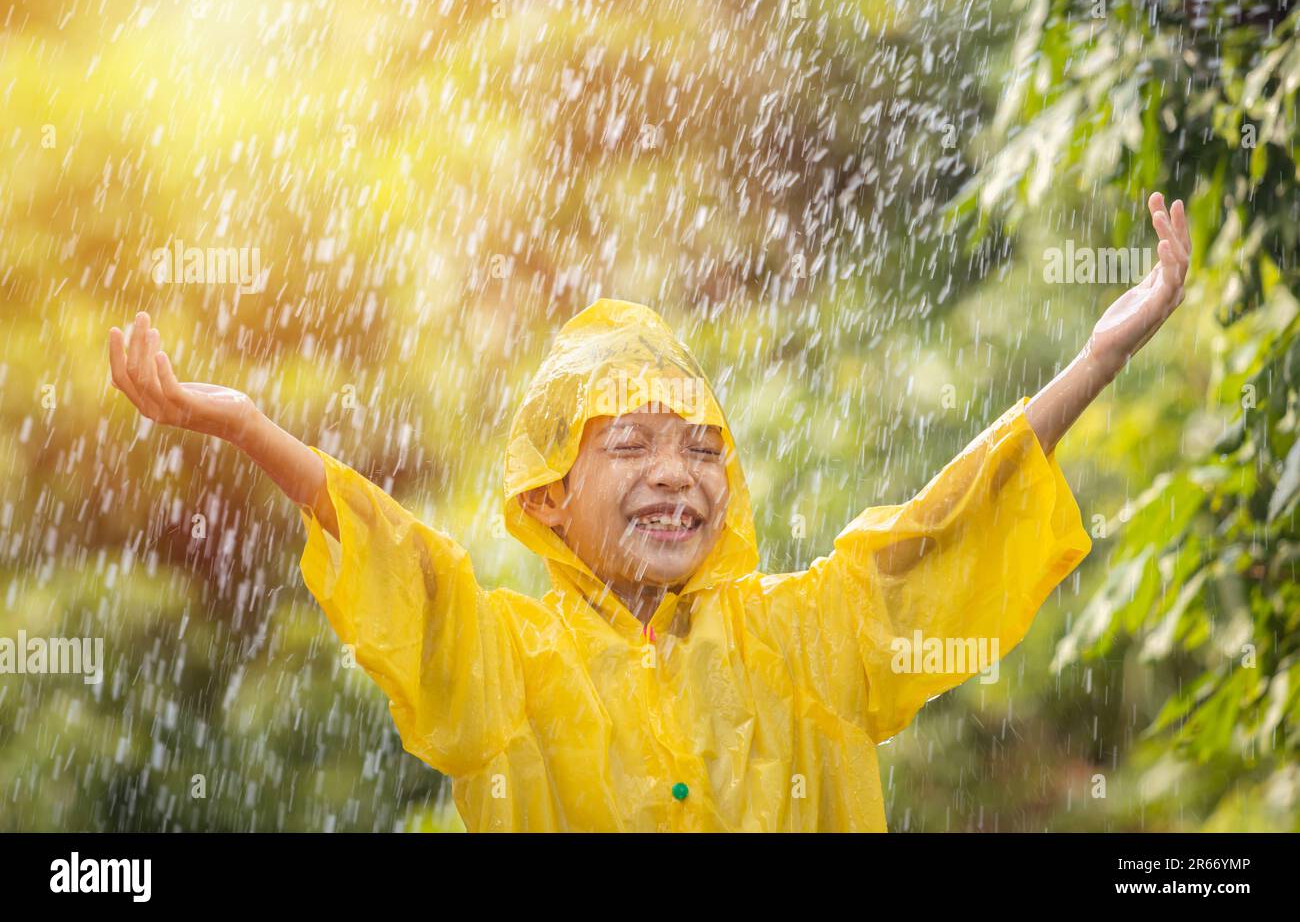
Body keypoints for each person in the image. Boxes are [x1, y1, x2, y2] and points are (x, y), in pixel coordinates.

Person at [107, 193, 1191, 831]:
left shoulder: (803, 635)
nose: (679, 474)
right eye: (628, 444)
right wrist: (250, 425)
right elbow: (410, 568)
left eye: (704, 446)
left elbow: (936, 528)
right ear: (547, 499)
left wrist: (1096, 359)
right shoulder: (508, 663)